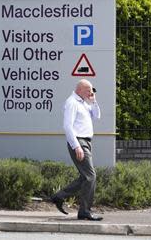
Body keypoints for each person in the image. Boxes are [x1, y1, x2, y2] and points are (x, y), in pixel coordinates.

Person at [51, 79, 103, 221]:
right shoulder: (72, 103)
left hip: (86, 141)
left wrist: (93, 101)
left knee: (85, 177)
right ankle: (85, 211)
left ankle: (59, 196)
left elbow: (97, 116)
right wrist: (76, 146)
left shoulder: (84, 103)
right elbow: (67, 126)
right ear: (80, 89)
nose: (91, 92)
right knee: (91, 176)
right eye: (89, 90)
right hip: (79, 142)